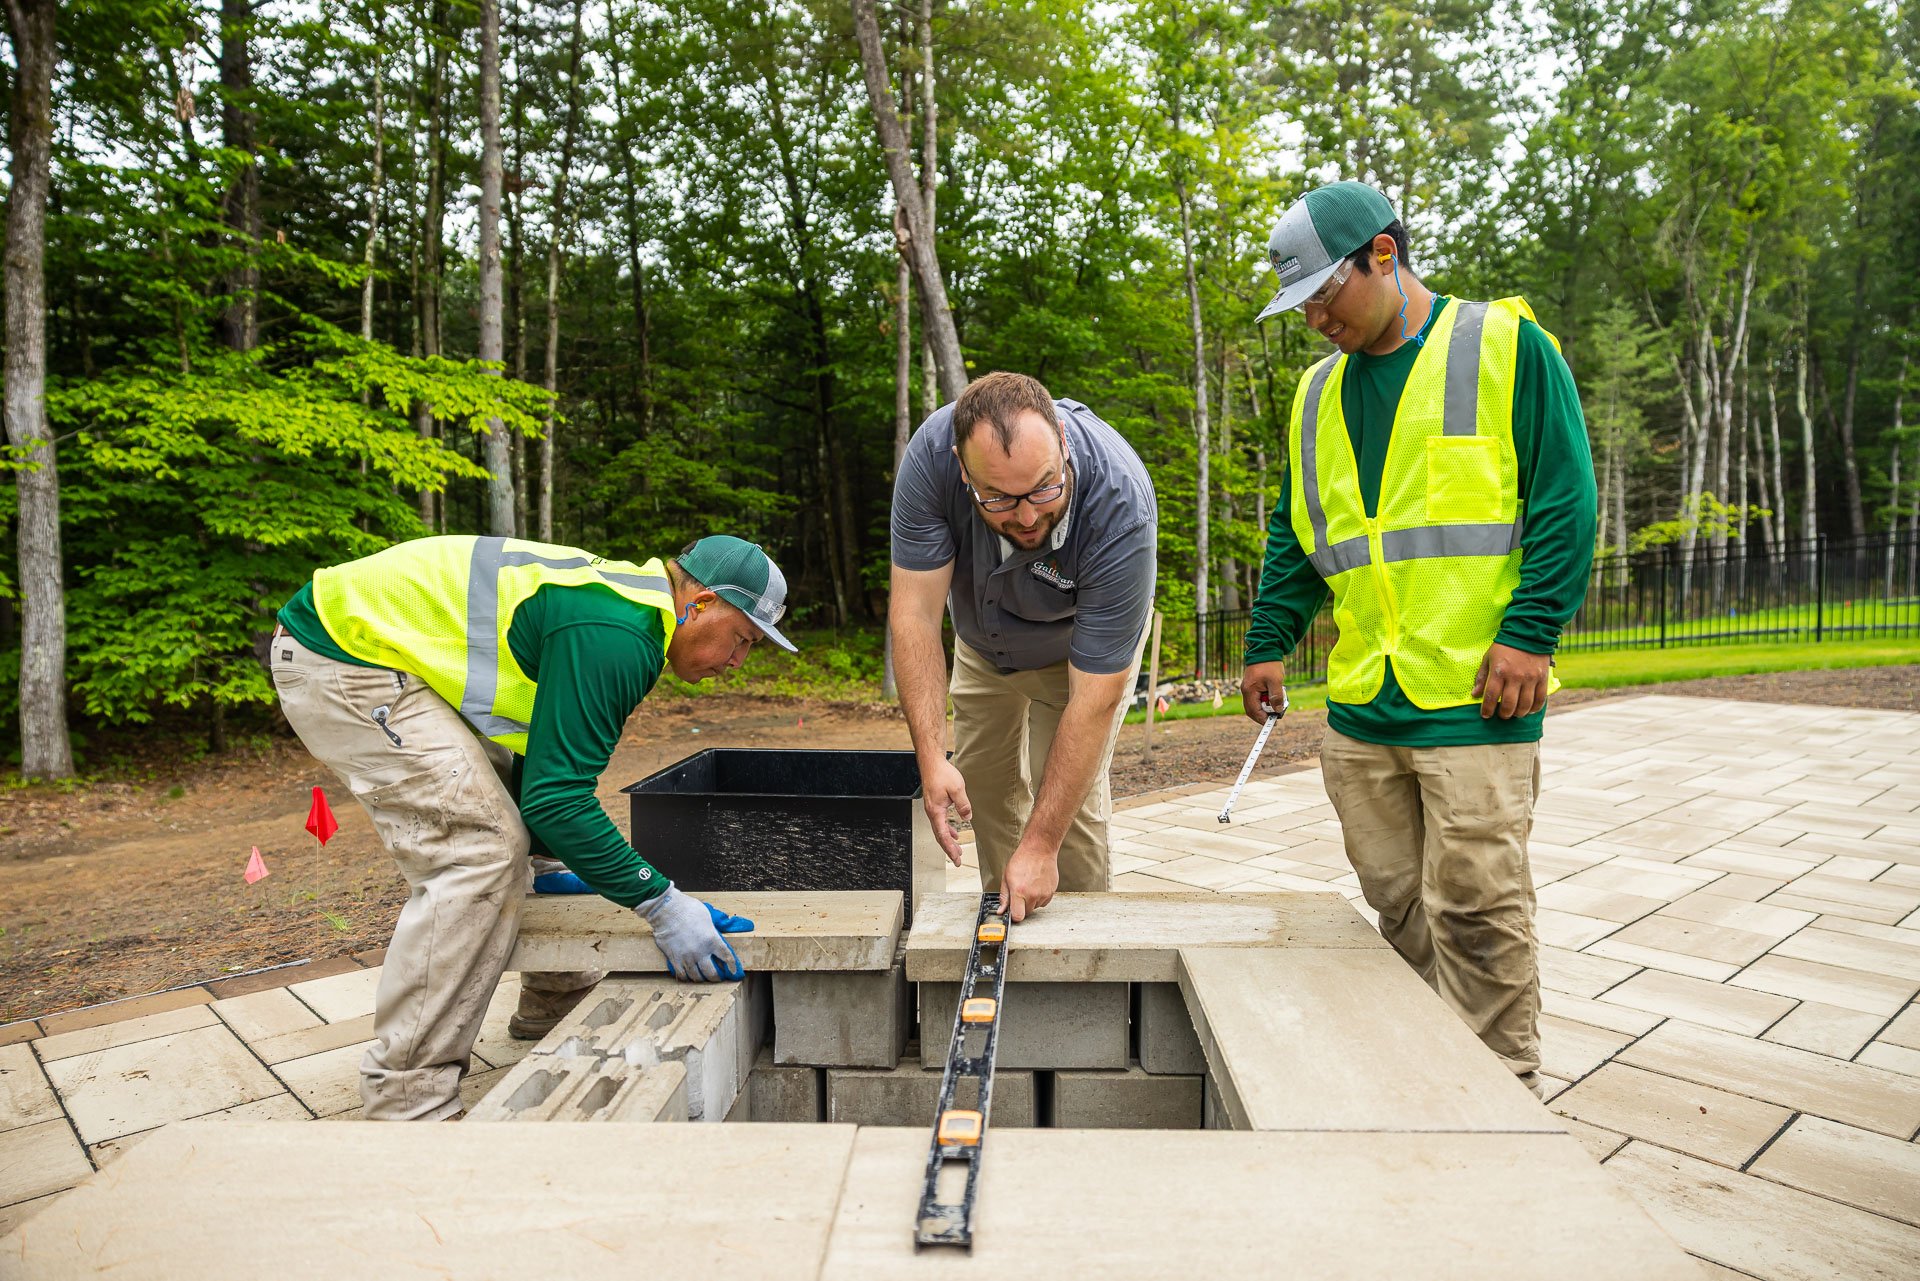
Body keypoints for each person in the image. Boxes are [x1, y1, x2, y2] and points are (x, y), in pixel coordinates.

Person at [1240, 181, 1596, 1096]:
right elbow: (1299, 529)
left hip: (1479, 693)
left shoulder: (1507, 346)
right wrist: (1269, 639)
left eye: (1327, 293)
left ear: (1386, 255)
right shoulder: (1316, 394)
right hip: (1366, 701)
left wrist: (1531, 633)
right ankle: (1446, 1059)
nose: (1317, 318)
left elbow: (1565, 498)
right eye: (1303, 304)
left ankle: (1503, 1086)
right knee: (1398, 898)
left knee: (1478, 906)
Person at [269, 533, 795, 1120]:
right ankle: (407, 1099)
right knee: (482, 851)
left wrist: (549, 861)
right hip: (342, 652)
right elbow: (557, 800)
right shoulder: (616, 634)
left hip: (377, 652)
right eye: (742, 640)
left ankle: (553, 998)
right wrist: (661, 903)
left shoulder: (626, 614)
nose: (737, 663)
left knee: (538, 855)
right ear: (698, 603)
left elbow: (539, 766)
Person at [890, 371, 1157, 922]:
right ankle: (1007, 922)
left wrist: (1042, 844)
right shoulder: (929, 462)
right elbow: (915, 615)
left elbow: (1097, 696)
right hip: (982, 647)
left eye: (1044, 487)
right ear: (963, 471)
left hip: (1076, 657)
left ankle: (1085, 955)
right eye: (1000, 499)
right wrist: (931, 756)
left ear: (1062, 442)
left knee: (1068, 814)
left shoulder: (1121, 505)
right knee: (983, 791)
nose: (1029, 516)